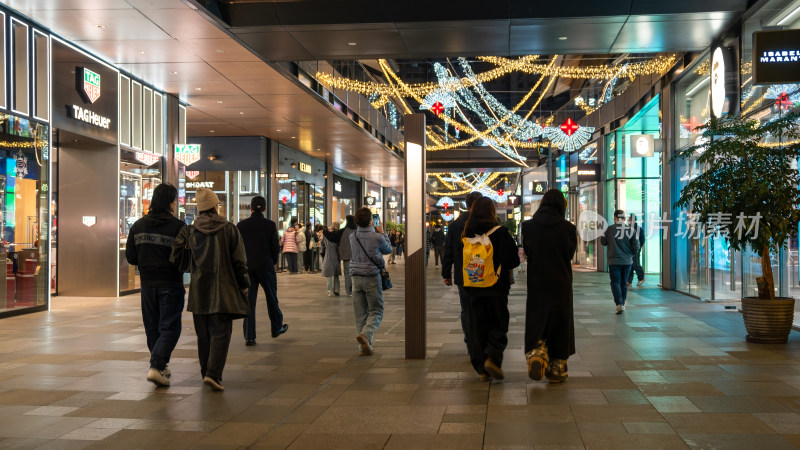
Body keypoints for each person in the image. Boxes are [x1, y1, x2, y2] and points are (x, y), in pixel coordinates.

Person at [171, 188, 250, 392]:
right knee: (221, 333)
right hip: (225, 290)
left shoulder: (189, 230)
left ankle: (206, 372)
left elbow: (176, 257)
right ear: (216, 206)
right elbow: (239, 261)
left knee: (203, 335)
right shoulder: (230, 229)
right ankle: (213, 374)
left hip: (199, 291)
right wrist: (244, 284)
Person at [125, 183, 186, 388]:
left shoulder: (138, 225)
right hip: (171, 283)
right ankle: (157, 365)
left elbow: (131, 257)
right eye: (175, 200)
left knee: (152, 327)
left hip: (148, 284)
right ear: (170, 202)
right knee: (170, 327)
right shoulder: (178, 227)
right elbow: (184, 257)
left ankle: (161, 365)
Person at [521, 189, 577, 383]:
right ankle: (558, 366)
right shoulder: (569, 228)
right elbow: (570, 254)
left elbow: (527, 250)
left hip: (537, 280)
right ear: (562, 205)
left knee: (538, 316)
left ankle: (537, 351)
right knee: (561, 319)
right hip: (561, 281)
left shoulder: (527, 227)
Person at [460, 197, 519, 381]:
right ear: (492, 211)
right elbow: (513, 260)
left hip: (473, 287)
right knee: (499, 323)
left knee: (477, 327)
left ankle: (481, 368)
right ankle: (493, 356)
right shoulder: (500, 233)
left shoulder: (466, 232)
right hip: (496, 288)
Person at [236, 196, 288, 346]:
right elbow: (274, 247)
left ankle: (249, 336)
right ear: (264, 209)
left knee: (249, 302)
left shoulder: (241, 225)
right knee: (271, 297)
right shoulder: (270, 225)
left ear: (251, 208)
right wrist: (272, 262)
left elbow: (238, 248)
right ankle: (276, 327)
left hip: (248, 268)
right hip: (266, 266)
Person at [442, 191, 483, 361]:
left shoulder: (455, 224)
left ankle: (470, 342)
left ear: (466, 204)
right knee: (483, 307)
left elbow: (448, 250)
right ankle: (482, 340)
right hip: (483, 274)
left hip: (463, 275)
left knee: (466, 309)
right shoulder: (488, 222)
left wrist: (446, 273)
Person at [349, 207, 392, 356]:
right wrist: (383, 233)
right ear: (370, 221)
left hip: (355, 277)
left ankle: (364, 348)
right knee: (376, 310)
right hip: (372, 277)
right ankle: (366, 335)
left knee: (360, 314)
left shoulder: (352, 236)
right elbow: (388, 250)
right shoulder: (377, 237)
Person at [600, 209, 640, 314]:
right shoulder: (631, 230)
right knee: (623, 282)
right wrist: (630, 255)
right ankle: (622, 302)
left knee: (615, 282)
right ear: (624, 218)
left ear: (615, 218)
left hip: (613, 261)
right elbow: (636, 246)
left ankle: (619, 304)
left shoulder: (609, 229)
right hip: (627, 261)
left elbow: (603, 242)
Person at [321, 222, 341, 296]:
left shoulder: (326, 235)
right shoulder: (338, 236)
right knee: (336, 274)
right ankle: (337, 289)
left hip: (328, 255)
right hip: (336, 256)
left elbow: (322, 245)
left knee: (329, 274)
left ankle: (329, 290)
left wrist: (322, 252)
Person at [627, 213, 646, 287]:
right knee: (630, 264)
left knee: (635, 264)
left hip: (635, 250)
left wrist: (638, 247)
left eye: (629, 219)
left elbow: (642, 239)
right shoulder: (627, 228)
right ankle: (629, 281)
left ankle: (641, 278)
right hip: (629, 250)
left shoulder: (639, 229)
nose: (628, 221)